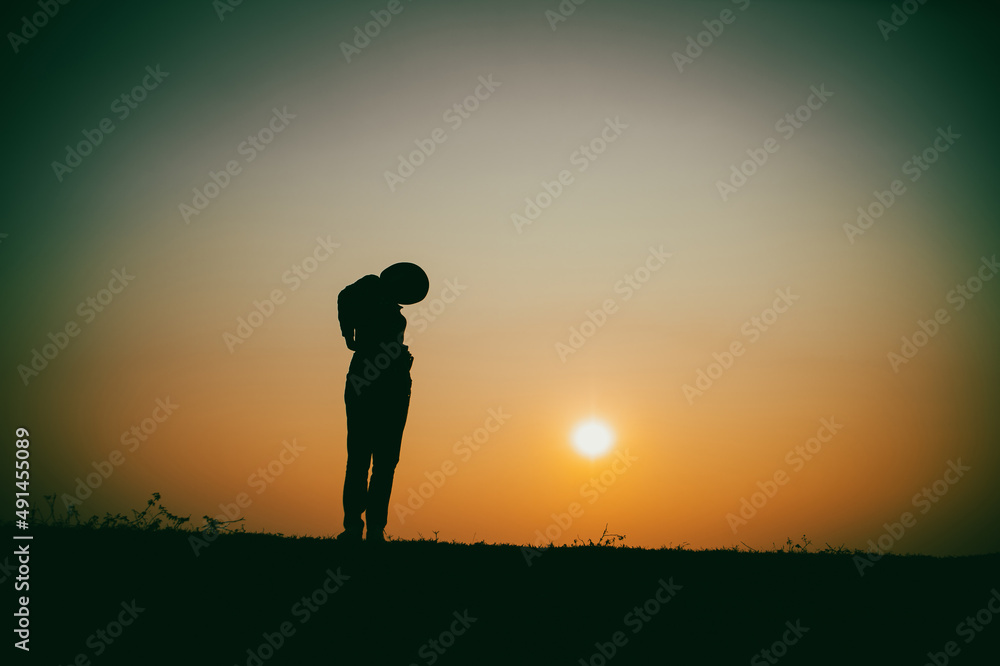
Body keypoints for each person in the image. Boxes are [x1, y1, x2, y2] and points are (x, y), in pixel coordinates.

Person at [336, 262, 429, 544]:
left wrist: (348, 334)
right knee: (364, 457)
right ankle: (357, 527)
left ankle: (372, 528)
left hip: (393, 382)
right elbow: (344, 296)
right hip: (371, 380)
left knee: (382, 460)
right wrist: (347, 333)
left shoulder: (384, 302)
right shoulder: (370, 288)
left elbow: (344, 298)